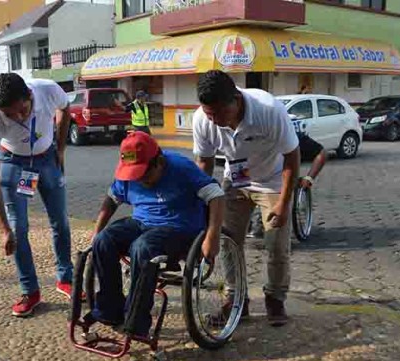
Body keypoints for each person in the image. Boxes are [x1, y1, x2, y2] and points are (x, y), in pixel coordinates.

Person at [89, 132, 225, 337]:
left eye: (144, 175)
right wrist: (97, 231)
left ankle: (136, 323)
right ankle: (110, 310)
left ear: (159, 162)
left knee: (142, 247)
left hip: (179, 228)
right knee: (103, 241)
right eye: (136, 176)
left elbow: (216, 195)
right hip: (142, 222)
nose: (141, 181)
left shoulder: (181, 168)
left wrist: (212, 236)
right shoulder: (128, 173)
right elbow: (111, 199)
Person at [192, 70, 300, 326]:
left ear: (236, 100)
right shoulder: (202, 119)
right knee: (227, 241)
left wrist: (284, 204)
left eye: (219, 113)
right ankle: (237, 301)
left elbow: (292, 158)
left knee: (276, 244)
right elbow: (204, 164)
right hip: (235, 182)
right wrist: (201, 202)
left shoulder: (268, 110)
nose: (215, 120)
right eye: (209, 114)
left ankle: (275, 300)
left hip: (272, 182)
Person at [0, 73, 73, 317]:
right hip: (18, 165)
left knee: (60, 222)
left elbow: (66, 109)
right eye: (10, 115)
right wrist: (3, 229)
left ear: (29, 96)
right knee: (18, 229)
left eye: (22, 110)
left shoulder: (48, 90)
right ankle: (30, 291)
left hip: (46, 160)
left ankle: (66, 279)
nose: (17, 118)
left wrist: (60, 149)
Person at [247, 119, 328, 239]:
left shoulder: (294, 138)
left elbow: (322, 154)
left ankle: (271, 222)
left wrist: (309, 178)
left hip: (283, 178)